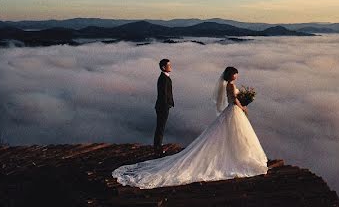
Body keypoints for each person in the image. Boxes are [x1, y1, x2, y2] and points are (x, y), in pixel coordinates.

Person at [113, 66, 268, 188]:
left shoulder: (229, 84)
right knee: (234, 135)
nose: (237, 75)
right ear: (231, 75)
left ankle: (235, 154)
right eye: (235, 73)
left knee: (233, 135)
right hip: (234, 111)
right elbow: (234, 100)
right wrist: (243, 107)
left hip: (233, 112)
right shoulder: (230, 86)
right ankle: (235, 156)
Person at [154, 58, 174, 157]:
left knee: (161, 127)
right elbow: (163, 95)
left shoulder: (164, 77)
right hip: (163, 107)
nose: (170, 67)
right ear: (163, 67)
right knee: (160, 127)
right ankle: (158, 147)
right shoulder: (163, 78)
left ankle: (158, 145)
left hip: (163, 106)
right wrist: (167, 105)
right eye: (169, 65)